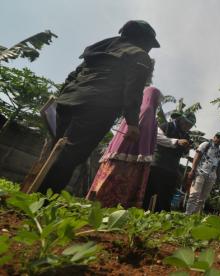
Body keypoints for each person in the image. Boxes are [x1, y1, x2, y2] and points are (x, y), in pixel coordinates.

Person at [38, 20, 160, 194]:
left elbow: (73, 75)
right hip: (96, 109)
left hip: (67, 101)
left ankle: (33, 192)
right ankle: (42, 198)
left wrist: (63, 97)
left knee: (55, 150)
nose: (149, 49)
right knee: (70, 156)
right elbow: (133, 91)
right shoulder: (139, 55)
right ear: (143, 40)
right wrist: (132, 123)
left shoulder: (101, 48)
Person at [85, 87, 161, 208]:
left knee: (106, 181)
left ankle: (95, 202)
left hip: (118, 151)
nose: (159, 102)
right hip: (131, 154)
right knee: (120, 184)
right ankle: (110, 205)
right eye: (158, 98)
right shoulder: (148, 110)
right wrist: (143, 153)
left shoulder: (137, 109)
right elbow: (144, 134)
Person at [142, 112, 196, 211]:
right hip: (157, 164)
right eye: (186, 123)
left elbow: (183, 153)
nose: (188, 127)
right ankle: (141, 212)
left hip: (172, 168)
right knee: (148, 192)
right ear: (180, 119)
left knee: (165, 196)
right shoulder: (166, 126)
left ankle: (160, 217)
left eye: (190, 126)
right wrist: (176, 141)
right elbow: (157, 138)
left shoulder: (186, 136)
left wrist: (186, 149)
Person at [185, 132, 220, 215]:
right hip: (200, 172)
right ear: (214, 137)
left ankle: (194, 216)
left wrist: (218, 178)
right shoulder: (206, 145)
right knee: (195, 194)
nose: (218, 139)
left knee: (202, 198)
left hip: (211, 176)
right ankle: (188, 214)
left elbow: (219, 166)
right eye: (217, 137)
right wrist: (193, 170)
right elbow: (197, 156)